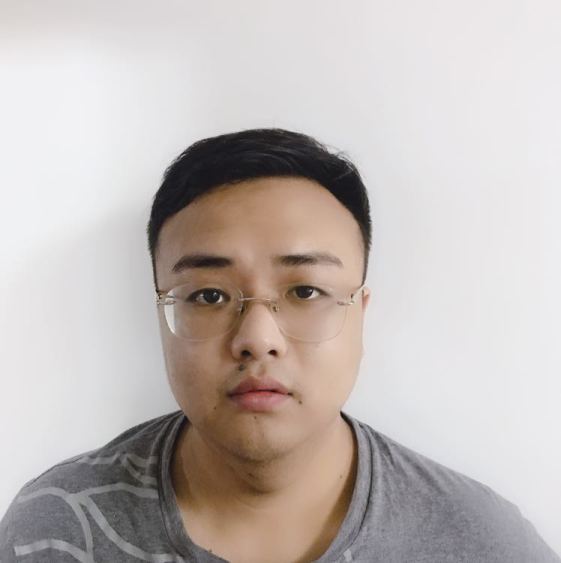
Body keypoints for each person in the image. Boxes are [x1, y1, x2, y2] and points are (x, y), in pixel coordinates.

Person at [0, 129, 558, 563]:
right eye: (209, 295)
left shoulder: (482, 543)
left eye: (305, 291)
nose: (257, 339)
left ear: (360, 314)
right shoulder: (56, 529)